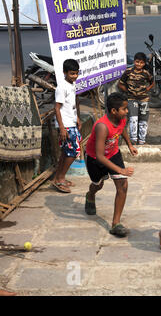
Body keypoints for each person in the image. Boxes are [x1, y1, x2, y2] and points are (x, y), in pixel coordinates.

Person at [84, 92, 138, 237]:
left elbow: (122, 130)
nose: (127, 111)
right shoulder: (102, 126)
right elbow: (100, 156)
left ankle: (116, 223)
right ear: (114, 111)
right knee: (98, 184)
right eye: (124, 109)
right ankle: (90, 195)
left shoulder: (121, 119)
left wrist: (129, 144)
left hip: (113, 154)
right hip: (96, 158)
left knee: (123, 185)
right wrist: (121, 170)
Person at [52, 59, 81, 194]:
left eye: (76, 73)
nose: (74, 76)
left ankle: (58, 178)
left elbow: (71, 105)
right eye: (71, 74)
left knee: (66, 151)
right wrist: (62, 128)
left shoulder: (72, 85)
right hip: (66, 125)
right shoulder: (62, 87)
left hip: (71, 122)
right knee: (74, 151)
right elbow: (57, 108)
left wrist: (77, 118)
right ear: (64, 73)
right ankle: (61, 179)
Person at [118, 52, 154, 145]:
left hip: (144, 100)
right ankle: (133, 140)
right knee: (133, 119)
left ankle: (142, 140)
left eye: (141, 62)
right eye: (137, 62)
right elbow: (120, 84)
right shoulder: (128, 72)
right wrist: (128, 91)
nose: (139, 64)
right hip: (131, 99)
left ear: (144, 63)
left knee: (143, 121)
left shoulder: (146, 73)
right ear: (134, 61)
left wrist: (146, 89)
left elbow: (152, 82)